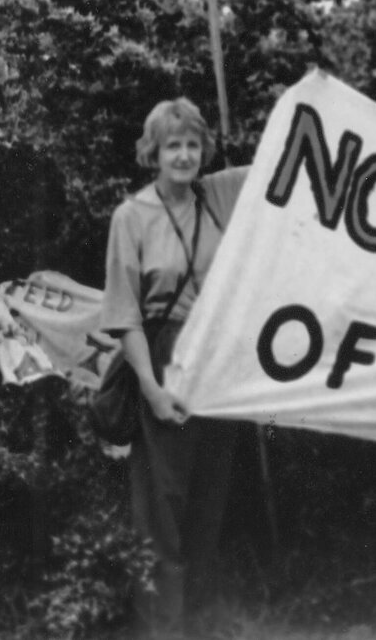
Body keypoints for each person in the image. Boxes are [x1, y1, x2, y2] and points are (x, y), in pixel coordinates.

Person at [101, 97, 248, 636]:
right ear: (153, 153)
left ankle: (202, 623)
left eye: (192, 145)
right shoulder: (131, 216)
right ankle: (162, 630)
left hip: (217, 361)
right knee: (161, 509)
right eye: (172, 146)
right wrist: (151, 387)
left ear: (204, 150)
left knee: (209, 502)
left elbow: (286, 164)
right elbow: (125, 316)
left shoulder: (219, 195)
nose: (183, 156)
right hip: (161, 359)